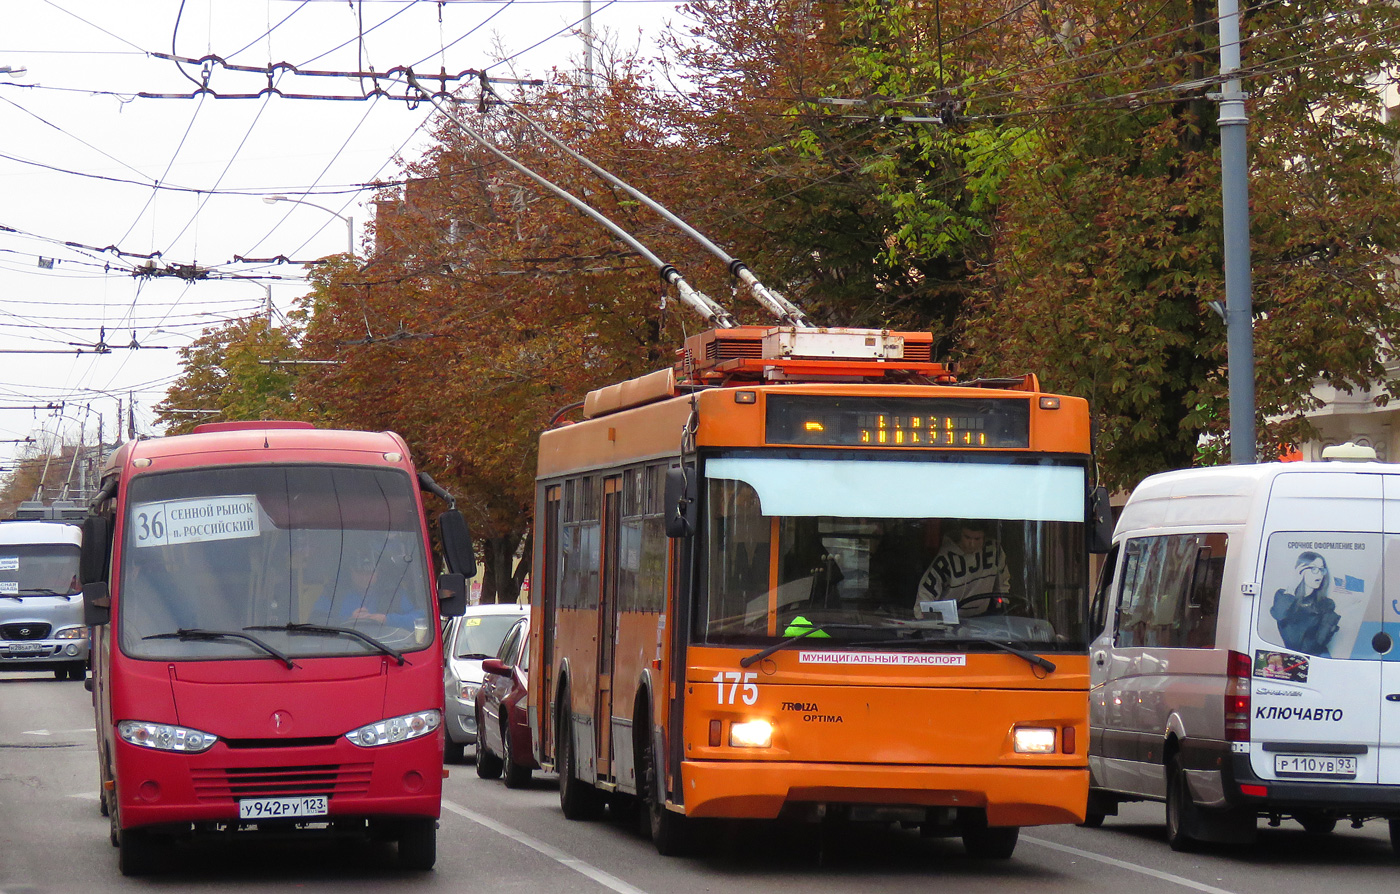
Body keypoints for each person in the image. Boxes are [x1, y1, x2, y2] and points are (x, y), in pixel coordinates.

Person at [915, 520, 1012, 617]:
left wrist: (1001, 606)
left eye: (977, 539)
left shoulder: (995, 552)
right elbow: (924, 601)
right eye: (967, 537)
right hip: (950, 625)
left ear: (985, 537)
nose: (971, 544)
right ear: (960, 533)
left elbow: (1002, 586)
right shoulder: (945, 560)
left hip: (983, 622)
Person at [311, 554, 422, 630]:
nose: (365, 577)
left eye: (370, 573)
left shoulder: (393, 592)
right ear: (351, 571)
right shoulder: (334, 593)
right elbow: (314, 621)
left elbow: (421, 620)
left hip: (387, 649)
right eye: (359, 572)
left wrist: (386, 619)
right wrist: (348, 621)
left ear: (378, 572)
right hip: (342, 650)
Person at [1270, 550, 1340, 657]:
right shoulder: (1283, 596)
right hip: (1291, 660)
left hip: (1319, 659)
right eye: (1313, 569)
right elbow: (1279, 615)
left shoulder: (1326, 604)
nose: (1320, 574)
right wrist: (1292, 587)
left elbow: (1319, 642)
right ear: (1300, 571)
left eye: (1321, 569)